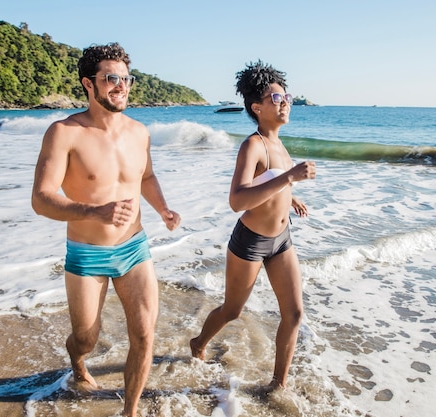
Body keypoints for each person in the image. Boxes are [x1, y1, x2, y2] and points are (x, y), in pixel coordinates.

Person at [31, 43, 180, 417]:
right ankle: (78, 364)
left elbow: (145, 175)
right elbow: (41, 198)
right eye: (111, 78)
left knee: (144, 333)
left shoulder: (139, 132)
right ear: (88, 83)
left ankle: (129, 412)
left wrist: (162, 208)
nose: (121, 86)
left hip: (134, 246)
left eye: (126, 78)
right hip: (87, 253)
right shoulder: (64, 132)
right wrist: (95, 211)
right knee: (86, 338)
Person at [190, 60, 316, 390]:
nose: (285, 102)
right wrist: (289, 177)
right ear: (256, 107)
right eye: (276, 98)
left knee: (294, 314)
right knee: (232, 310)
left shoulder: (279, 144)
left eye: (286, 96)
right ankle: (198, 343)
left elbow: (273, 184)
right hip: (251, 240)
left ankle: (278, 385)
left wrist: (290, 197)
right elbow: (238, 199)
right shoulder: (253, 145)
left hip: (281, 239)